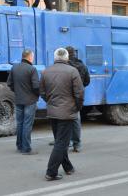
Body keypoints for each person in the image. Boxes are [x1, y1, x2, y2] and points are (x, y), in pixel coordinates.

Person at [40, 48, 84, 181]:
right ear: (66, 58)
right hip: (67, 112)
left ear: (55, 58)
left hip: (53, 112)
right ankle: (51, 172)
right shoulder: (72, 71)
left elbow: (41, 91)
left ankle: (68, 167)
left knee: (60, 141)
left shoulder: (46, 71)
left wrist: (50, 101)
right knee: (61, 144)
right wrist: (77, 107)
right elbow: (79, 94)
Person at [7, 49, 40, 155]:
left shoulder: (14, 67)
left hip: (18, 99)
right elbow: (36, 86)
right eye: (33, 56)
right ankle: (26, 148)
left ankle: (19, 145)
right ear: (30, 57)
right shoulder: (32, 69)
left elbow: (9, 83)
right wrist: (37, 94)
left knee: (20, 123)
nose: (33, 58)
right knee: (27, 124)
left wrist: (17, 91)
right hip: (30, 101)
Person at [65, 46, 90, 153]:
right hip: (77, 96)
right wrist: (81, 87)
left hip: (66, 95)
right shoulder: (82, 66)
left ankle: (67, 142)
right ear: (74, 54)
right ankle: (77, 144)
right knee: (76, 120)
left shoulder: (65, 66)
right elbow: (87, 81)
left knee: (65, 120)